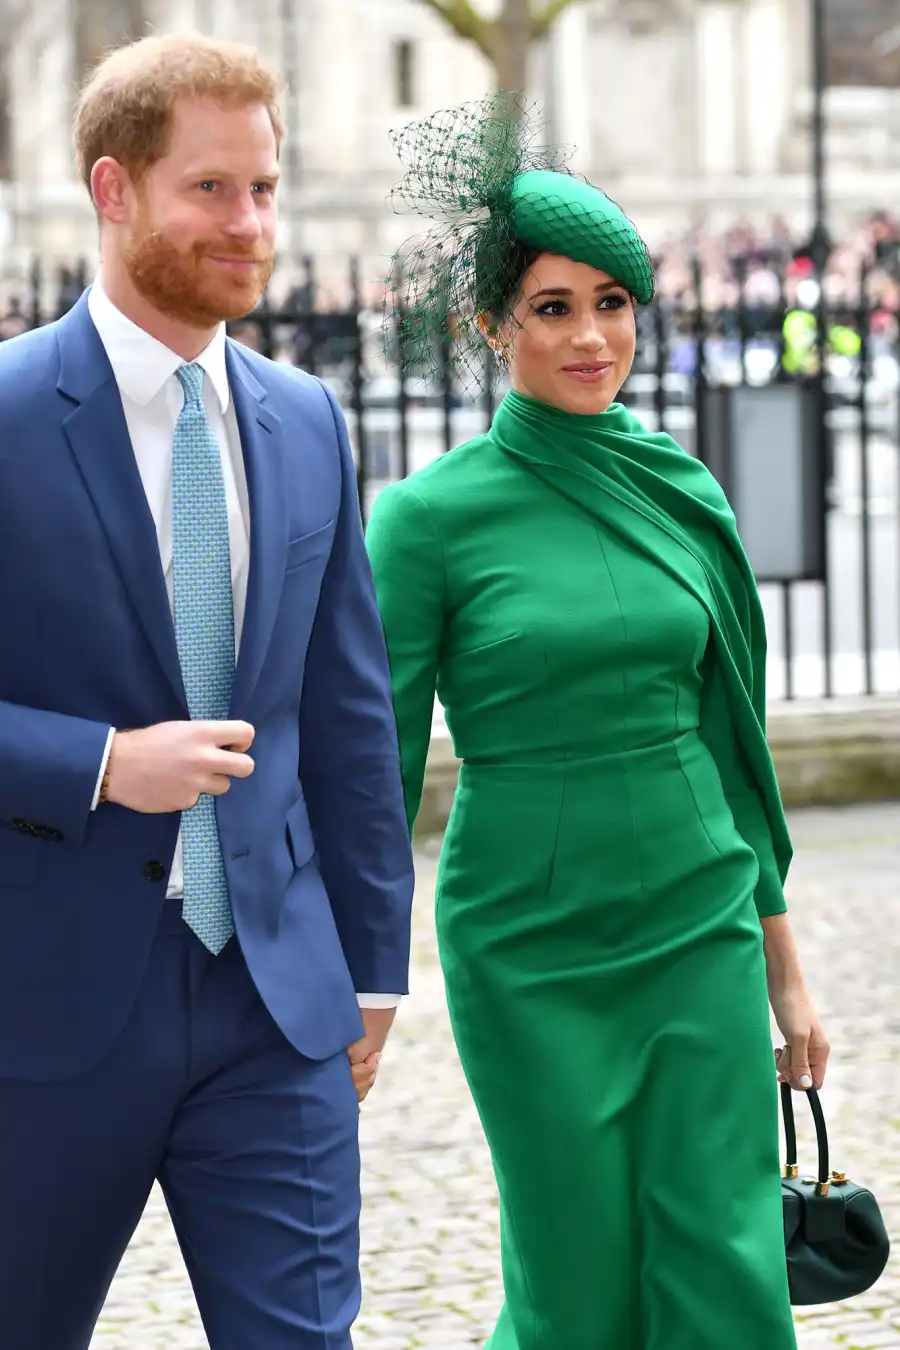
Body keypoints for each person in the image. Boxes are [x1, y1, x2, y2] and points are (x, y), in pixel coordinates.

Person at [366, 98, 830, 1350]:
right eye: (553, 307)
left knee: (726, 1255)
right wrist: (358, 974)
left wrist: (784, 969)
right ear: (491, 325)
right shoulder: (426, 520)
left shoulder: (682, 488)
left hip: (698, 913)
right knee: (575, 1273)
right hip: (528, 938)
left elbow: (735, 744)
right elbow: (375, 766)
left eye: (613, 303)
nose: (591, 336)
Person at [0, 32, 413, 1350]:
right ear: (113, 189)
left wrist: (374, 965)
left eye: (266, 189)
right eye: (212, 189)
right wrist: (100, 765)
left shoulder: (307, 419)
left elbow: (348, 712)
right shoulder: (6, 415)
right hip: (42, 1006)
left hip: (274, 1003)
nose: (251, 225)